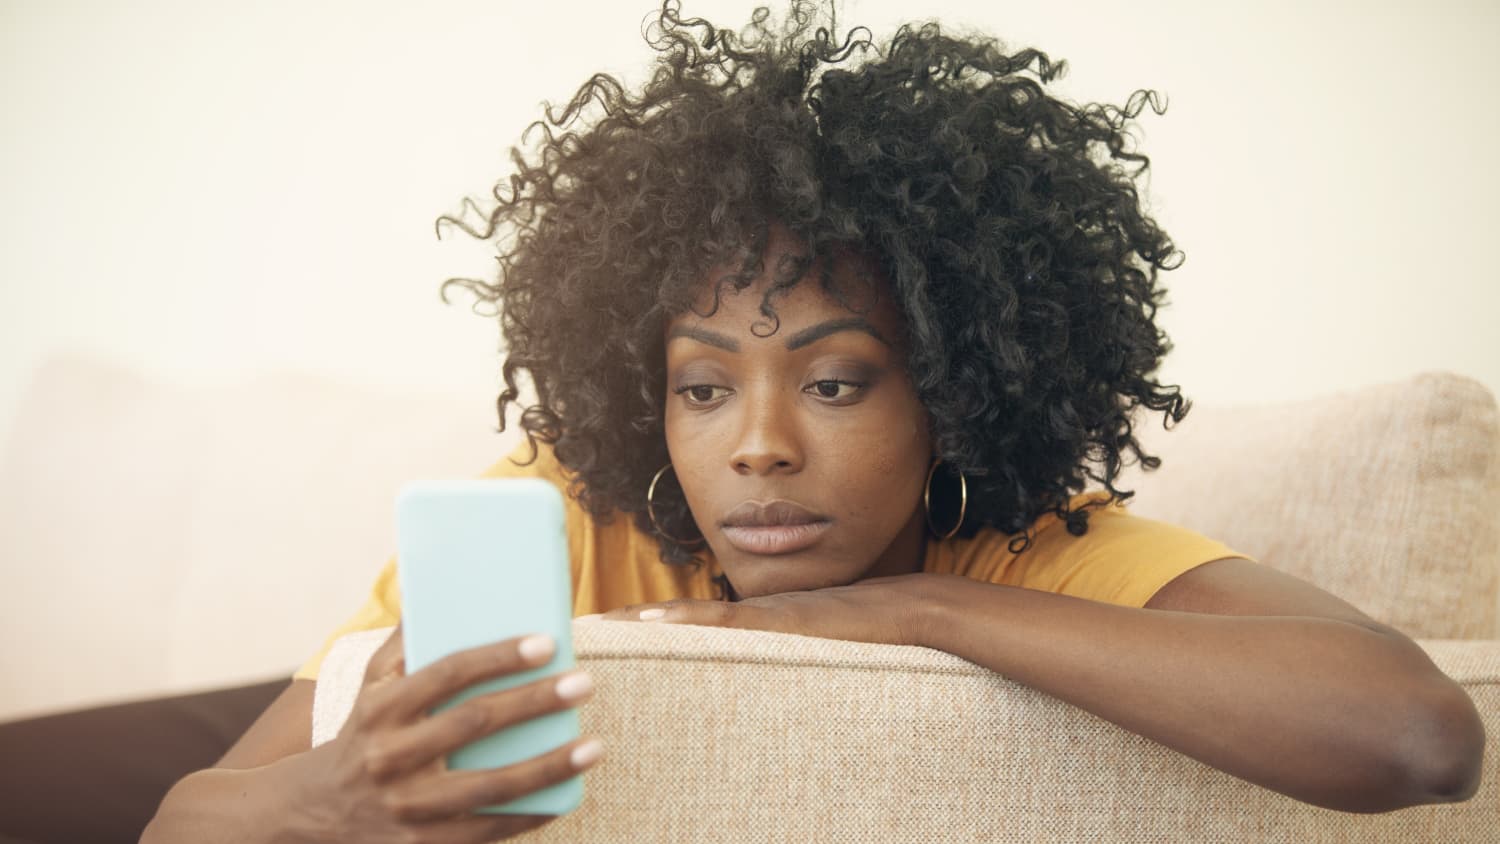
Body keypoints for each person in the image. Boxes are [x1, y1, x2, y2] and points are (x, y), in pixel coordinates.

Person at [140, 0, 1484, 840]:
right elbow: (184, 821)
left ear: (954, 390)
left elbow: (1419, 734)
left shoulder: (1025, 548)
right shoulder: (557, 517)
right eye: (704, 387)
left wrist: (904, 614)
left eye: (837, 382)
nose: (760, 446)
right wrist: (324, 801)